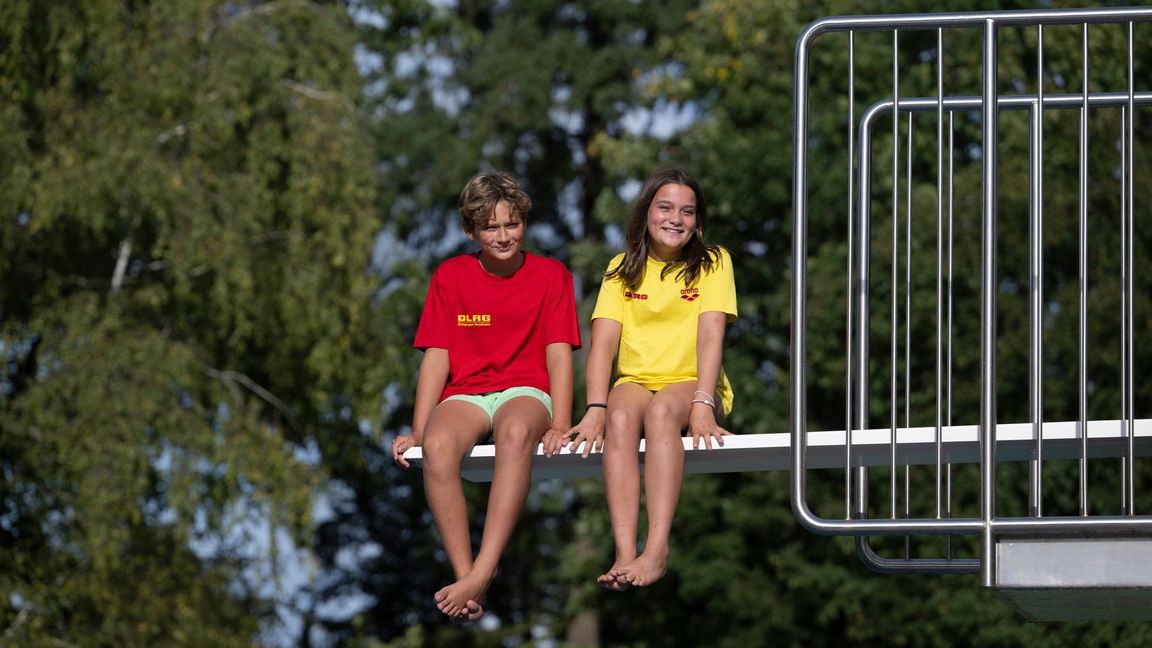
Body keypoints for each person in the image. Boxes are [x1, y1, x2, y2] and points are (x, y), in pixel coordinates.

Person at [391, 170, 580, 622]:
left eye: (511, 224)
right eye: (490, 227)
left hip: (527, 390)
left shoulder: (552, 275)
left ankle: (486, 566)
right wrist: (418, 430)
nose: (502, 235)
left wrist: (559, 423)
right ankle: (468, 579)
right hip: (467, 392)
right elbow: (435, 360)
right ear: (470, 231)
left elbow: (559, 358)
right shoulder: (450, 276)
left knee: (515, 431)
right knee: (437, 446)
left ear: (524, 223)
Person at [543, 167, 737, 591]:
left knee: (665, 409)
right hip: (635, 382)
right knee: (619, 415)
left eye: (687, 212)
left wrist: (703, 403)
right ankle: (625, 551)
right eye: (665, 207)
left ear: (698, 222)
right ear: (646, 214)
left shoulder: (713, 263)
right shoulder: (619, 269)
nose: (675, 218)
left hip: (693, 386)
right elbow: (603, 345)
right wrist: (594, 408)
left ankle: (658, 547)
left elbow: (710, 337)